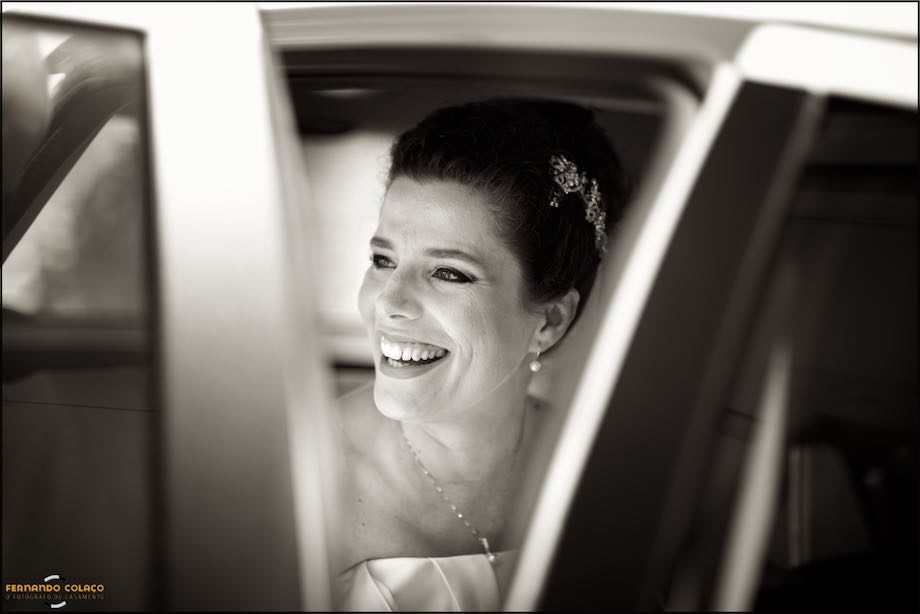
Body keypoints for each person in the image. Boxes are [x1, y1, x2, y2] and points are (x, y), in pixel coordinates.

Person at [333, 98, 631, 611]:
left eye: (448, 272)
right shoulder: (294, 476)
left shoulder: (600, 475)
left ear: (551, 319)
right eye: (383, 260)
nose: (389, 302)